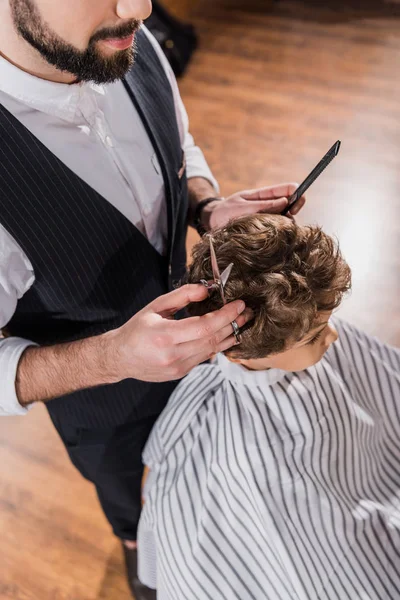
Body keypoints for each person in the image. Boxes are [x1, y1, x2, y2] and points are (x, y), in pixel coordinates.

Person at [0, 1, 308, 597]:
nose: (140, 8)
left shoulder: (123, 45)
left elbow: (179, 144)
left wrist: (207, 206)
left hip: (207, 378)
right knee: (149, 533)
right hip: (111, 424)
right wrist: (109, 358)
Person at [138, 213, 400, 600]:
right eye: (313, 337)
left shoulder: (304, 327)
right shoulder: (225, 448)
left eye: (328, 321)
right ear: (240, 351)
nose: (334, 336)